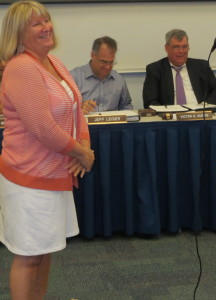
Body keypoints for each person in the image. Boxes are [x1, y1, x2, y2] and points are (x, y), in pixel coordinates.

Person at [0, 1, 95, 299]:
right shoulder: (21, 67)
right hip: (28, 178)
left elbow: (76, 109)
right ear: (19, 33)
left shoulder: (56, 63)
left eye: (47, 20)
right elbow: (41, 127)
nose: (47, 27)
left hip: (54, 175)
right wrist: (80, 154)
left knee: (45, 252)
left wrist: (85, 146)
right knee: (29, 257)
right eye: (37, 24)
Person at [142, 29, 216, 108]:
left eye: (184, 47)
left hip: (200, 115)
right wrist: (167, 113)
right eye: (176, 47)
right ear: (166, 48)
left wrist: (204, 106)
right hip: (171, 117)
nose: (181, 51)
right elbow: (150, 101)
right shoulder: (155, 70)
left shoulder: (202, 66)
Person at [70, 36, 133, 114]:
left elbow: (126, 106)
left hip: (113, 125)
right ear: (93, 55)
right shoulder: (74, 77)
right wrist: (78, 109)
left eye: (111, 62)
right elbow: (64, 110)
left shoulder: (119, 80)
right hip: (85, 125)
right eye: (104, 62)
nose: (108, 67)